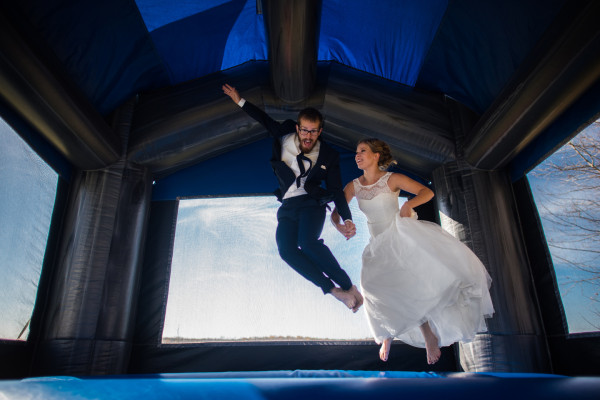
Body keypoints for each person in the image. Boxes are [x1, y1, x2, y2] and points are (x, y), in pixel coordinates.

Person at [332, 138, 494, 364]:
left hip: (398, 236)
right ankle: (388, 332)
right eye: (356, 152)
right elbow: (336, 212)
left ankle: (428, 336)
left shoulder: (392, 179)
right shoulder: (353, 186)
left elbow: (425, 192)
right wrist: (341, 225)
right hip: (377, 242)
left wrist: (408, 205)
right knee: (370, 287)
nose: (357, 155)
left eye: (363, 151)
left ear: (376, 156)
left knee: (410, 288)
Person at [222, 84, 363, 312]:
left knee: (307, 243)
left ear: (320, 131)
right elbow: (264, 119)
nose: (308, 136)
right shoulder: (284, 135)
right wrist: (240, 100)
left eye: (314, 131)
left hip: (311, 203)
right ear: (298, 128)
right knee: (286, 250)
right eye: (305, 130)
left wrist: (347, 218)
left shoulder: (329, 155)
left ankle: (348, 286)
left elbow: (336, 189)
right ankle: (332, 289)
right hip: (288, 205)